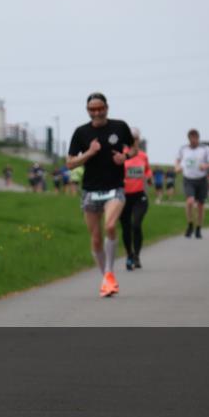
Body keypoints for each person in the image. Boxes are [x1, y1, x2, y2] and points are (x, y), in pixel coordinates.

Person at [66, 92, 135, 298]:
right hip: (90, 191)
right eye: (92, 109)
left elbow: (133, 148)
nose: (96, 112)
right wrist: (89, 152)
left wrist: (125, 156)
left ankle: (109, 272)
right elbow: (70, 163)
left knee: (111, 226)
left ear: (107, 108)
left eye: (100, 108)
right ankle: (106, 278)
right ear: (88, 111)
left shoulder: (120, 127)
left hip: (115, 187)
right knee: (96, 240)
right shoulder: (81, 132)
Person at [175, 129, 209, 239]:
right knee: (190, 201)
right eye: (191, 138)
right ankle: (190, 224)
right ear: (189, 138)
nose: (193, 140)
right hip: (188, 179)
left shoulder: (205, 148)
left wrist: (205, 166)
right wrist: (177, 167)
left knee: (201, 205)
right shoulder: (183, 149)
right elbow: (178, 160)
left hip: (201, 179)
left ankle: (198, 228)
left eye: (195, 138)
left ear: (198, 138)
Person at [120, 129, 152, 270]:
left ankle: (137, 256)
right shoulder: (122, 156)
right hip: (124, 196)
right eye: (131, 138)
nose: (134, 140)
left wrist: (149, 177)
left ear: (139, 140)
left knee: (136, 225)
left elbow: (147, 170)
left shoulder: (143, 156)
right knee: (126, 227)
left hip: (140, 196)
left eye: (136, 138)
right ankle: (129, 255)